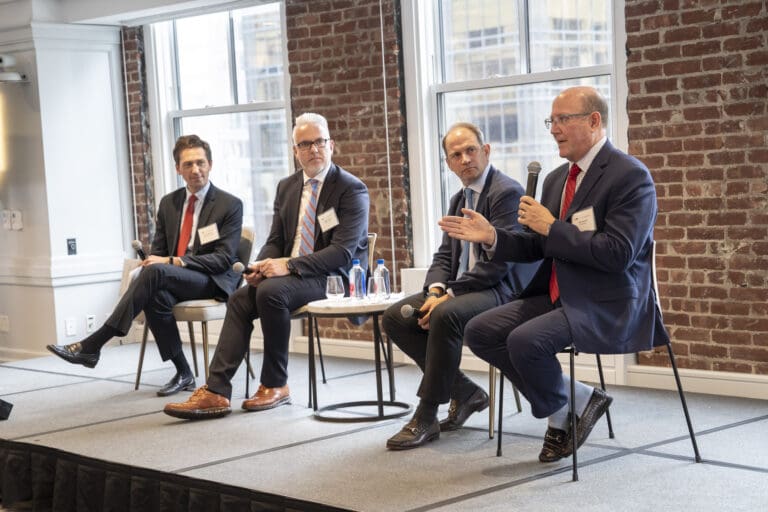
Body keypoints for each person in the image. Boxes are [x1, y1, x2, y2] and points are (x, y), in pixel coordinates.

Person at [439, 86, 666, 462]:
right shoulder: (557, 179)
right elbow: (537, 246)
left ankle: (559, 419)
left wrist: (551, 226)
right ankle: (577, 399)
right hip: (560, 295)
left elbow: (618, 254)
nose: (554, 129)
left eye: (563, 119)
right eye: (551, 121)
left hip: (607, 300)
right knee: (479, 331)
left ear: (593, 121)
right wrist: (493, 236)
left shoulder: (629, 176)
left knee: (524, 341)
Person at [163, 113, 370, 419]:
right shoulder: (287, 187)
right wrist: (262, 265)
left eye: (319, 142)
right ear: (295, 151)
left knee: (271, 292)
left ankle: (276, 384)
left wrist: (289, 265)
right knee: (240, 299)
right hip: (290, 277)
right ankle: (216, 390)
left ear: (331, 145)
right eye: (305, 144)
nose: (314, 149)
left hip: (332, 278)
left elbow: (341, 253)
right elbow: (275, 240)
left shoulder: (351, 189)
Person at [47, 135, 244, 397]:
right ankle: (184, 373)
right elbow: (159, 252)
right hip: (174, 278)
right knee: (155, 295)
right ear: (178, 169)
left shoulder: (229, 204)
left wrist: (172, 262)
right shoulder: (169, 203)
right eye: (188, 164)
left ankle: (94, 344)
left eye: (200, 163)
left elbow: (223, 259)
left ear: (210, 164)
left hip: (211, 280)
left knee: (156, 272)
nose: (195, 169)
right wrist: (154, 262)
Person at [383, 122, 538, 450]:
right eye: (456, 155)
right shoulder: (459, 199)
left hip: (502, 290)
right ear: (449, 163)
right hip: (465, 289)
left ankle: (426, 414)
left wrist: (450, 295)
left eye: (471, 150)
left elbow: (500, 263)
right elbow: (444, 255)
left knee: (446, 314)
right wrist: (436, 291)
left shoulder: (505, 193)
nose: (465, 159)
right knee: (396, 316)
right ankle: (466, 392)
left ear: (486, 151)